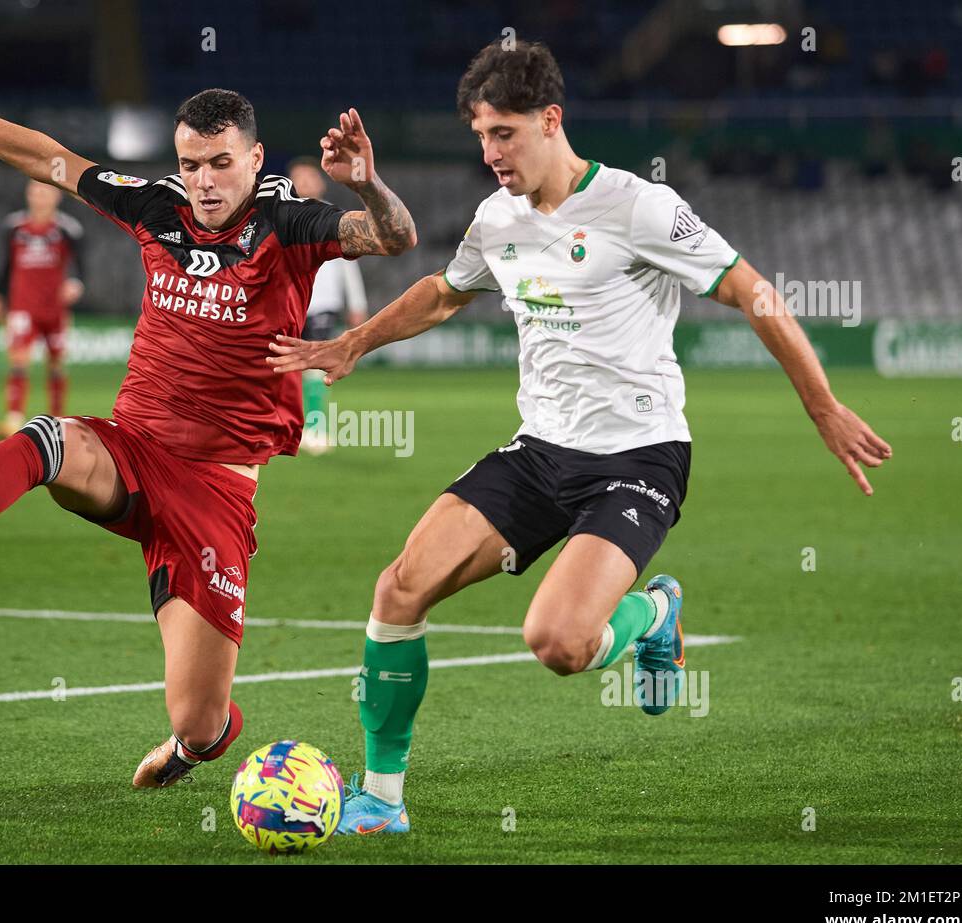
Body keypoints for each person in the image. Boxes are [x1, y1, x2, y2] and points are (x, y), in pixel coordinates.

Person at [268, 39, 892, 835]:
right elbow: (444, 291)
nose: (490, 154)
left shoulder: (639, 207)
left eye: (505, 134)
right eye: (481, 137)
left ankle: (652, 618)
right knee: (398, 590)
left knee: (559, 641)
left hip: (638, 459)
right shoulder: (498, 218)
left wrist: (823, 406)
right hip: (539, 452)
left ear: (551, 120)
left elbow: (753, 290)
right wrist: (354, 342)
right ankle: (383, 801)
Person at [0, 41, 416, 787]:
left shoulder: (290, 223)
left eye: (220, 163)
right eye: (191, 164)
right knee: (51, 440)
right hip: (131, 451)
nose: (204, 181)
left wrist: (370, 186)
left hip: (216, 491)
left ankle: (193, 747)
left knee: (200, 719)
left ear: (254, 159)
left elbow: (394, 237)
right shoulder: (157, 205)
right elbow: (51, 160)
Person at [0, 180, 85, 437]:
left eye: (45, 192)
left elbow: (80, 266)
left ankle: (57, 419)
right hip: (22, 305)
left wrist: (76, 283)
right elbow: (5, 265)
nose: (40, 197)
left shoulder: (68, 229)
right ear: (27, 195)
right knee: (18, 359)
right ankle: (14, 418)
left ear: (56, 197)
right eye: (35, 192)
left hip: (55, 307)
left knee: (56, 364)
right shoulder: (13, 227)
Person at [286, 157, 368, 454]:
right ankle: (290, 428)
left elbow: (349, 264)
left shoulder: (333, 218)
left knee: (315, 369)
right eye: (298, 178)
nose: (304, 183)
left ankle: (316, 428)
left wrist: (356, 302)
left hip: (323, 304)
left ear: (320, 182)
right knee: (286, 369)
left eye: (308, 177)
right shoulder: (284, 218)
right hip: (289, 304)